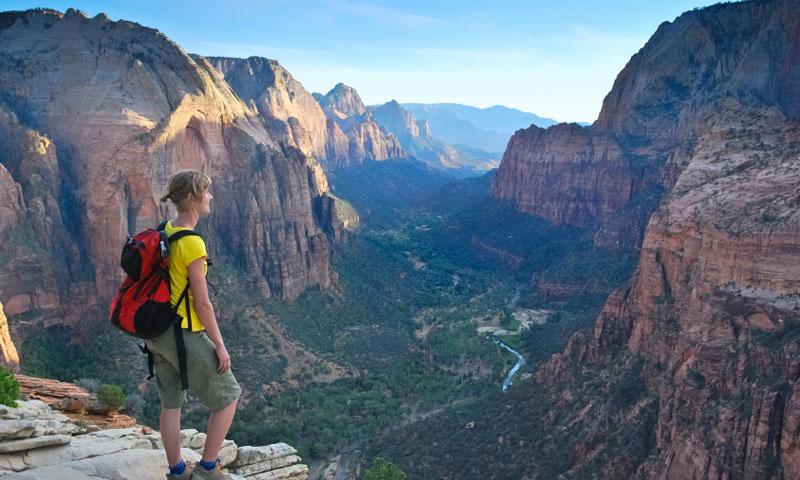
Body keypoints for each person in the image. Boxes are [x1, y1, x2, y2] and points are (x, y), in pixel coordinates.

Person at [147, 170, 241, 480]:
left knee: (171, 403)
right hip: (184, 333)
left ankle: (176, 472)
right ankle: (208, 469)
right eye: (206, 192)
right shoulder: (193, 244)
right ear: (192, 198)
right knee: (229, 396)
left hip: (156, 333)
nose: (211, 197)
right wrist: (220, 345)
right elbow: (202, 304)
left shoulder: (167, 229)